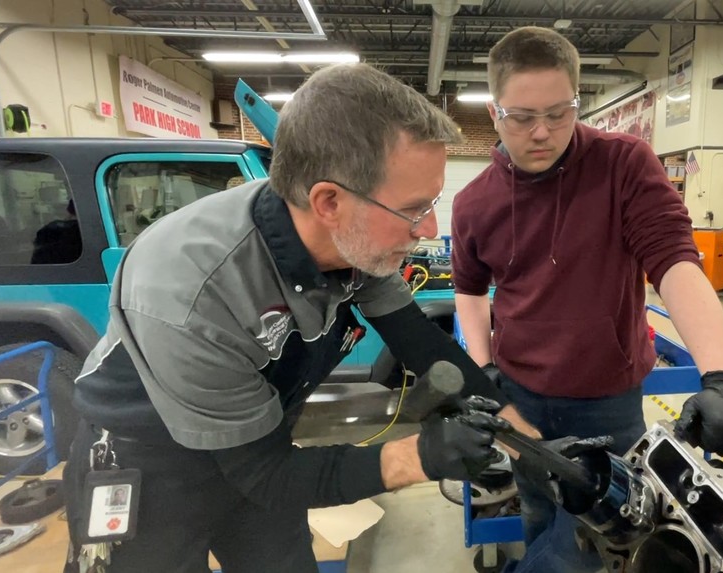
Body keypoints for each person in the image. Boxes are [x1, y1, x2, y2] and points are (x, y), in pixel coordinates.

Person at [62, 63, 533, 573]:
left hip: (260, 440)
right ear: (329, 201)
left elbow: (418, 340)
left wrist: (528, 441)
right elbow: (267, 475)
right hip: (152, 464)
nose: (430, 227)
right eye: (414, 208)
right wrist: (417, 457)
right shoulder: (193, 290)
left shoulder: (355, 243)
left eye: (433, 202)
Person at [451, 27, 723, 572]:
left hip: (608, 399)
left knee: (604, 535)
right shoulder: (474, 201)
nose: (542, 132)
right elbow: (470, 290)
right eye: (522, 117)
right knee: (537, 509)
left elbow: (674, 261)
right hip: (520, 395)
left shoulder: (624, 164)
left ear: (577, 100)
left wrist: (722, 376)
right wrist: (483, 370)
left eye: (559, 113)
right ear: (494, 109)